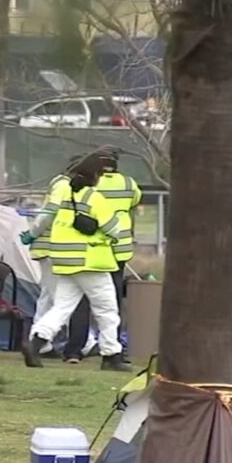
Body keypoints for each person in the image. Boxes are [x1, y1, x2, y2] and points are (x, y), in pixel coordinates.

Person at [19, 153, 131, 372]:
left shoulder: (64, 193)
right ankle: (112, 355)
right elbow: (114, 229)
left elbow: (48, 218)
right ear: (96, 176)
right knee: (107, 309)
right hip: (90, 261)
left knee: (62, 307)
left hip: (64, 260)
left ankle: (37, 342)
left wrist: (31, 234)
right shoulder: (95, 198)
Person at [61, 147, 142, 364]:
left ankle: (74, 349)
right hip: (119, 249)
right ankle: (114, 348)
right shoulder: (128, 183)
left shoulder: (90, 184)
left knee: (81, 299)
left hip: (92, 247)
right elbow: (135, 201)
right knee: (111, 302)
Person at [23, 155, 84, 358]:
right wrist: (33, 232)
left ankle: (39, 342)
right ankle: (88, 342)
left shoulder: (62, 184)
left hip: (47, 247)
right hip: (52, 248)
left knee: (47, 297)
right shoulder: (64, 186)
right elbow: (50, 212)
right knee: (63, 298)